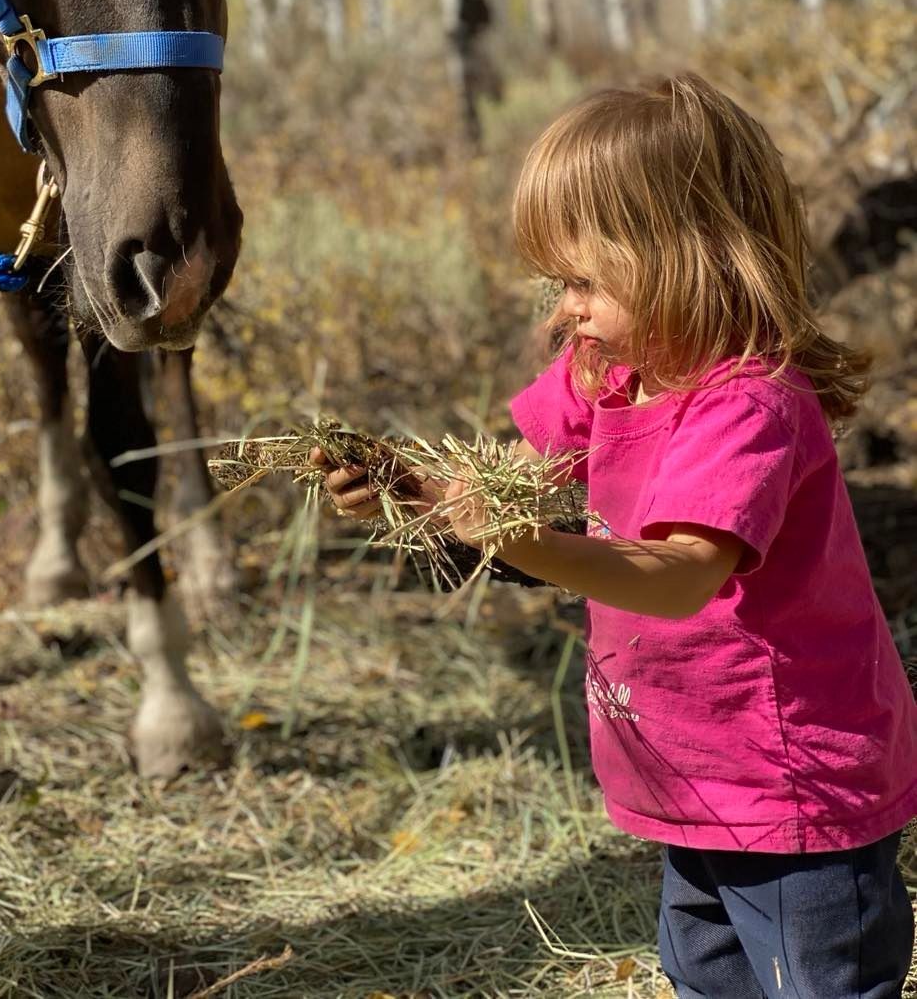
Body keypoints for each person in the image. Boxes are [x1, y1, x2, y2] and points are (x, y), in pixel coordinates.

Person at [313, 73, 917, 999]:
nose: (561, 309)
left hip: (788, 786)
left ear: (685, 254)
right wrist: (420, 492)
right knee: (706, 975)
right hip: (688, 775)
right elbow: (509, 478)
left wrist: (504, 531)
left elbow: (680, 578)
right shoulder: (605, 368)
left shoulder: (747, 403)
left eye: (582, 281)